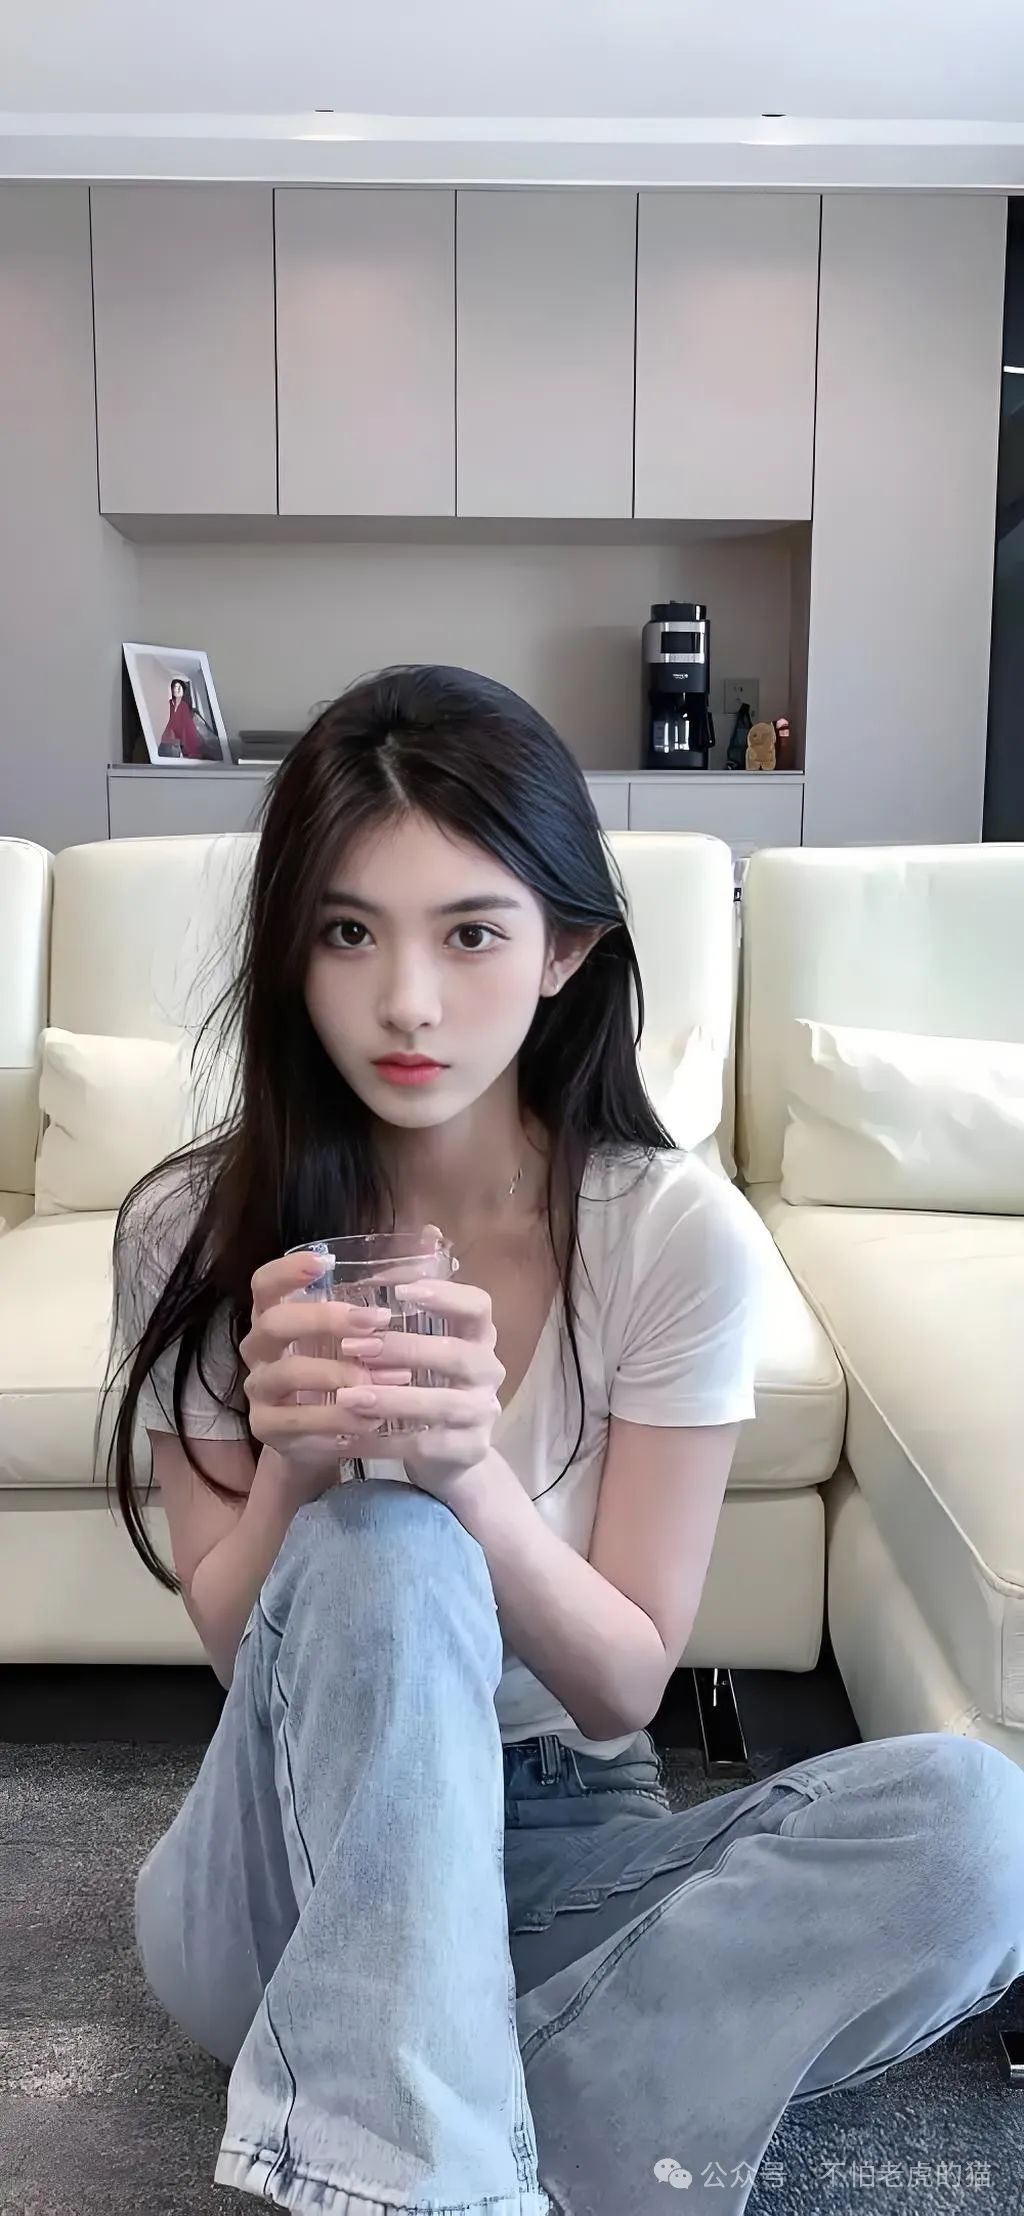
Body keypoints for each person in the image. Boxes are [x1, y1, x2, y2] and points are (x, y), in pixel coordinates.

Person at [100, 665, 1024, 2216]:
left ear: (566, 951)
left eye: (470, 934)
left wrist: (469, 1476)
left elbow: (621, 1686)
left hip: (569, 1830)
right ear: (290, 951)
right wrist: (300, 1471)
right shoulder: (193, 1230)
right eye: (347, 932)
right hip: (284, 1851)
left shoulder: (669, 1236)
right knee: (380, 1547)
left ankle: (400, 2103)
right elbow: (226, 1645)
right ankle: (488, 2119)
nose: (407, 1001)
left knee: (977, 1833)